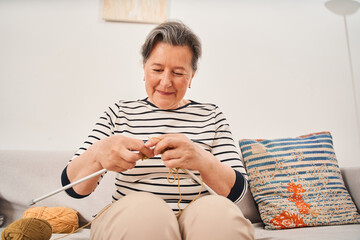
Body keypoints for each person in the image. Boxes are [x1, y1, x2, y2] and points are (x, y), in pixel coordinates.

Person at [61, 20, 254, 240]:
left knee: (220, 218)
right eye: (157, 69)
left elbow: (238, 193)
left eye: (178, 73)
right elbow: (73, 188)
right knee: (146, 213)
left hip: (197, 216)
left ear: (192, 76)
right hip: (131, 213)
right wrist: (98, 154)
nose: (165, 82)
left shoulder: (212, 115)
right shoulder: (119, 112)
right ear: (144, 67)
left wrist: (201, 158)